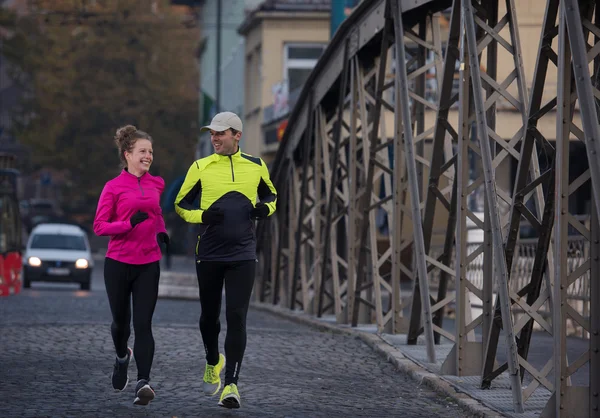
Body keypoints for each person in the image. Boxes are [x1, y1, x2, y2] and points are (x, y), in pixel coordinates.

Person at [174, 111, 277, 409]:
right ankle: (212, 360)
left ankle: (231, 384)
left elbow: (272, 197)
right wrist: (202, 216)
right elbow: (181, 205)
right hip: (208, 253)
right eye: (212, 133)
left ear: (237, 135)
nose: (214, 138)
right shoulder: (200, 167)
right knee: (209, 317)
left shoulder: (256, 166)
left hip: (243, 254)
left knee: (237, 317)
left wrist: (263, 211)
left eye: (220, 133)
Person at [93, 125, 169, 406]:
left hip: (148, 262)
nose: (148, 156)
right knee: (120, 325)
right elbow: (100, 226)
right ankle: (122, 357)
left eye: (150, 151)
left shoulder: (156, 183)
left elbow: (157, 212)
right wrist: (128, 224)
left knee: (143, 324)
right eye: (142, 151)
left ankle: (143, 382)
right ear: (128, 154)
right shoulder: (113, 187)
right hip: (118, 263)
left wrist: (160, 230)